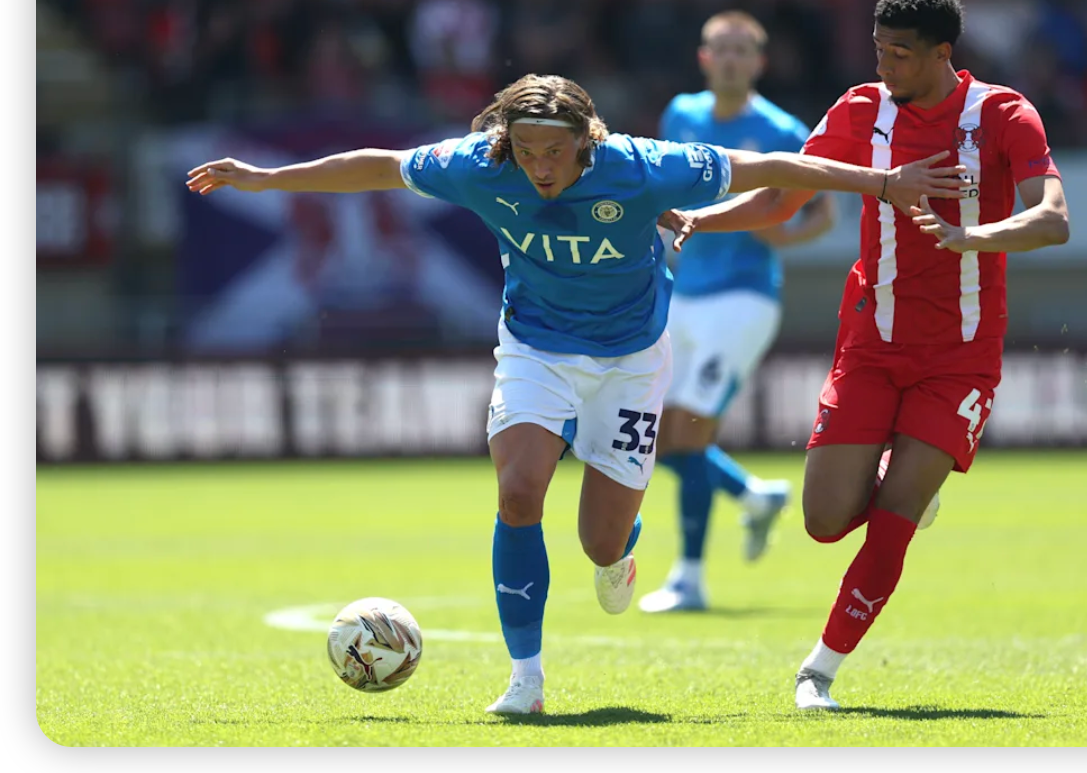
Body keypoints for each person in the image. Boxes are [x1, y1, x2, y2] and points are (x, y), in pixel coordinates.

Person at [185, 72, 963, 716]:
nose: (539, 168)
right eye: (526, 152)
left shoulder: (644, 165)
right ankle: (526, 682)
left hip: (631, 360)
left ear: (585, 140)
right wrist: (266, 178)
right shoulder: (480, 164)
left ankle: (620, 552)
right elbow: (381, 164)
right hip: (534, 348)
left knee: (599, 543)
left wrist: (882, 182)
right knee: (520, 490)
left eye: (553, 152)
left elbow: (774, 168)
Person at [665, 0, 1072, 710]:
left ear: (943, 53)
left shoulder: (1003, 114)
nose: (884, 66)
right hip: (871, 344)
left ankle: (817, 672)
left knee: (892, 525)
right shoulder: (861, 108)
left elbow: (1053, 219)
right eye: (878, 50)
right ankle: (902, 488)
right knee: (824, 521)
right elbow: (786, 193)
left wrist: (972, 235)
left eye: (900, 54)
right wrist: (704, 219)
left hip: (962, 354)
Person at [641, 11, 837, 615]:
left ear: (759, 63)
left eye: (740, 51)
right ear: (703, 59)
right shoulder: (681, 113)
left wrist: (782, 239)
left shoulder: (782, 127)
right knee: (663, 443)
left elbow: (822, 214)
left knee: (690, 433)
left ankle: (690, 578)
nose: (729, 60)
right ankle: (752, 495)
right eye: (719, 50)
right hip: (682, 292)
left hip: (742, 299)